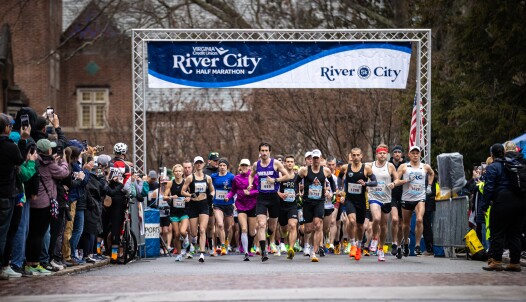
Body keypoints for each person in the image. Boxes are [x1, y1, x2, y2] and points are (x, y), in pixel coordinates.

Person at [25, 139, 69, 276]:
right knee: (39, 234)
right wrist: (63, 161)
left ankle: (29, 263)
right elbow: (64, 173)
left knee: (32, 234)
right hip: (44, 203)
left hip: (33, 201)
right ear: (48, 150)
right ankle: (34, 263)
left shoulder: (36, 160)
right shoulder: (50, 164)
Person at [482, 144, 526, 272]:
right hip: (520, 201)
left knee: (498, 232)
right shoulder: (514, 165)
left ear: (492, 155)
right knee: (515, 233)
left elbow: (488, 188)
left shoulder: (493, 167)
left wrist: (484, 206)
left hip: (502, 201)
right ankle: (515, 262)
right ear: (504, 152)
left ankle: (496, 261)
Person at [248, 142, 292, 262]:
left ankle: (270, 233)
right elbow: (251, 175)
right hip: (262, 198)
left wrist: (275, 180)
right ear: (259, 152)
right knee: (261, 224)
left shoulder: (275, 163)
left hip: (274, 197)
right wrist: (250, 184)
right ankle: (263, 252)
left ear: (269, 152)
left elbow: (287, 176)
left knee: (272, 227)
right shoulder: (256, 165)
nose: (264, 153)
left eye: (266, 150)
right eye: (262, 150)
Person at [337, 148, 377, 261]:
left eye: (357, 155)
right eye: (353, 155)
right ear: (351, 156)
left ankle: (359, 246)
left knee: (360, 226)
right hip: (350, 199)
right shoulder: (346, 168)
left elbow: (375, 182)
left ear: (361, 156)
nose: (355, 157)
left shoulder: (366, 168)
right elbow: (340, 178)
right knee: (352, 220)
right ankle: (353, 244)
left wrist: (366, 183)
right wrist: (340, 189)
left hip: (362, 201)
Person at [295, 149, 336, 262]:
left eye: (318, 158)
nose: (316, 160)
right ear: (311, 159)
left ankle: (314, 252)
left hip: (319, 202)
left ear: (320, 158)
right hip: (307, 202)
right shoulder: (304, 171)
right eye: (314, 158)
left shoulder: (326, 171)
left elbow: (332, 182)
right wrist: (297, 194)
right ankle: (302, 232)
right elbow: (295, 182)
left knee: (318, 225)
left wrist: (334, 193)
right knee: (308, 228)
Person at [0, 114, 26, 280]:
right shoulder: (10, 146)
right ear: (7, 128)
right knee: (3, 231)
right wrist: (23, 139)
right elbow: (20, 160)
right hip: (5, 194)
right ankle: (3, 267)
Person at [397, 145, 434, 257]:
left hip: (420, 197)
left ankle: (417, 245)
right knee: (406, 224)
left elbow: (432, 173)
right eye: (413, 153)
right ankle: (406, 243)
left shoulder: (425, 167)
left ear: (420, 155)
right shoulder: (404, 167)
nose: (415, 155)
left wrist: (429, 186)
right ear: (409, 154)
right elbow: (396, 180)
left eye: (417, 153)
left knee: (419, 219)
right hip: (407, 198)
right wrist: (406, 180)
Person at [366, 144, 400, 262]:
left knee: (384, 226)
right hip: (374, 196)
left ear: (387, 155)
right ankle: (374, 239)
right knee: (376, 218)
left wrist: (394, 183)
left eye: (384, 153)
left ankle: (381, 249)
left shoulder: (390, 166)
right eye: (380, 153)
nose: (382, 155)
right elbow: (363, 175)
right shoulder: (370, 165)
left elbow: (397, 178)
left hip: (386, 198)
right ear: (376, 154)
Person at [181, 156, 215, 263]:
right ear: (194, 165)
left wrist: (211, 196)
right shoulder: (190, 178)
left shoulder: (208, 178)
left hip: (204, 205)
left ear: (203, 164)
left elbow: (212, 190)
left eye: (200, 163)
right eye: (197, 163)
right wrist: (190, 194)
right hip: (193, 205)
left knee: (203, 229)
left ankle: (201, 253)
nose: (199, 165)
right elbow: (182, 191)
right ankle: (193, 241)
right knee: (194, 233)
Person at [227, 159, 259, 261]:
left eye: (246, 166)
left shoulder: (255, 177)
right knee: (244, 228)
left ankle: (249, 248)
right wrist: (228, 196)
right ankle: (245, 252)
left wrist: (250, 193)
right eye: (242, 166)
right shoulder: (236, 178)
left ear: (250, 167)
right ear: (240, 167)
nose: (244, 167)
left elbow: (259, 190)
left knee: (252, 231)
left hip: (252, 205)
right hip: (240, 205)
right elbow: (233, 191)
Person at [106, 143, 130, 263]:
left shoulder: (107, 163)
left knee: (104, 225)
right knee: (116, 227)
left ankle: (99, 251)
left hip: (106, 197)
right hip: (119, 198)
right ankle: (114, 256)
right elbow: (127, 186)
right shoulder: (126, 166)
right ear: (124, 153)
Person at [164, 164, 190, 262]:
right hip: (174, 211)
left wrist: (189, 197)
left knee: (183, 231)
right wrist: (171, 197)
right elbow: (164, 197)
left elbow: (192, 195)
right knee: (177, 234)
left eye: (180, 171)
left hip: (184, 211)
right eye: (176, 171)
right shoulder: (170, 183)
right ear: (174, 172)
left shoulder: (186, 182)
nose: (178, 173)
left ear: (182, 172)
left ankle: (186, 239)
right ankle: (179, 254)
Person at [211, 159, 235, 256]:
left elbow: (234, 190)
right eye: (220, 165)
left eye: (224, 165)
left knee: (228, 228)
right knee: (220, 225)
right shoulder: (213, 176)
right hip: (217, 203)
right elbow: (210, 187)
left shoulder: (231, 177)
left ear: (227, 166)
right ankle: (222, 246)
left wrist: (229, 196)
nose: (222, 167)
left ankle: (225, 241)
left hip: (228, 204)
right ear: (218, 166)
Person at [277, 155, 299, 260]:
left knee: (293, 225)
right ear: (284, 163)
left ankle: (291, 248)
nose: (290, 163)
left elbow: (302, 189)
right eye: (288, 162)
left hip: (292, 206)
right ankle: (283, 238)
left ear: (294, 163)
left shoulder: (298, 177)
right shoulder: (281, 176)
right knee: (284, 228)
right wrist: (279, 194)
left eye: (291, 161)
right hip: (281, 206)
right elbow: (274, 188)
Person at [389, 145, 405, 258]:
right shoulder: (388, 165)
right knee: (394, 219)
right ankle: (394, 243)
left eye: (399, 152)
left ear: (402, 154)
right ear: (392, 154)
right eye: (395, 152)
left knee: (401, 224)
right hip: (391, 196)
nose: (397, 154)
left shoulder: (406, 166)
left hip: (404, 196)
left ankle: (399, 245)